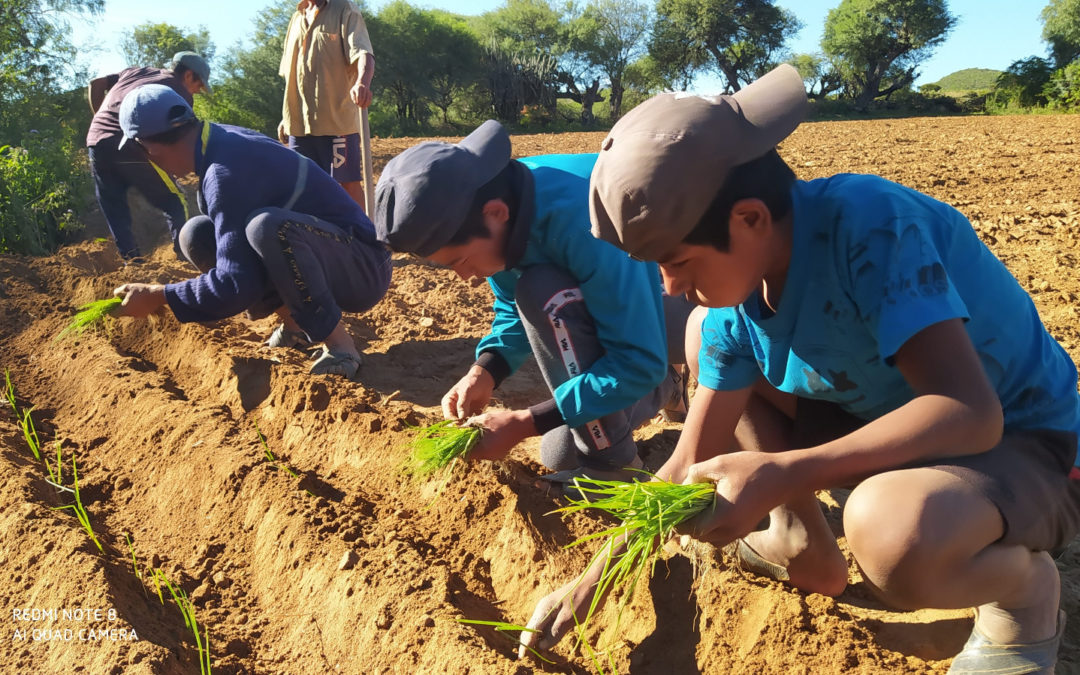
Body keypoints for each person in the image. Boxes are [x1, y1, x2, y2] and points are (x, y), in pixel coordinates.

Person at [520, 64, 1080, 674]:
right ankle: (799, 537)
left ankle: (1023, 597)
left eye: (677, 262)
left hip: (1029, 443)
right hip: (889, 423)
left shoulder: (871, 226)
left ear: (751, 218)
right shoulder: (735, 301)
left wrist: (784, 470)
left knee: (894, 538)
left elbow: (971, 415)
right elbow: (686, 461)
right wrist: (592, 581)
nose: (672, 285)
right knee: (704, 334)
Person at [373, 120, 697, 484]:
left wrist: (524, 422)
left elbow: (638, 360)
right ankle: (667, 383)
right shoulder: (498, 203)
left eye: (459, 262)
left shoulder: (585, 220)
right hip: (627, 313)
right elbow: (512, 305)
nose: (465, 277)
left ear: (495, 214)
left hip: (703, 312)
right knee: (559, 450)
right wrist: (485, 370)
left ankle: (614, 472)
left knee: (545, 292)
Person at [111, 84, 391, 379]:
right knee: (197, 234)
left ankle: (341, 347)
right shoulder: (217, 143)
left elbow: (234, 285)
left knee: (269, 228)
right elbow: (235, 261)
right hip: (335, 253)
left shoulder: (224, 172)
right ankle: (294, 326)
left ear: (149, 147)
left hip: (364, 268)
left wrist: (159, 295)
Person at [86, 51, 212, 260]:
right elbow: (173, 139)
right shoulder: (178, 94)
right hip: (131, 142)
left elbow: (96, 83)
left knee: (114, 204)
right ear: (189, 75)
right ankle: (185, 256)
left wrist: (103, 120)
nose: (198, 92)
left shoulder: (137, 71)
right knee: (175, 199)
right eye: (199, 85)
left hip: (97, 140)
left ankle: (132, 261)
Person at [279, 0, 374, 210]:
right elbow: (291, 71)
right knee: (302, 185)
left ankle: (362, 237)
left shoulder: (345, 9)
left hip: (337, 121)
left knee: (345, 184)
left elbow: (364, 53)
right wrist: (285, 117)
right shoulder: (297, 18)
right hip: (299, 124)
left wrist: (362, 82)